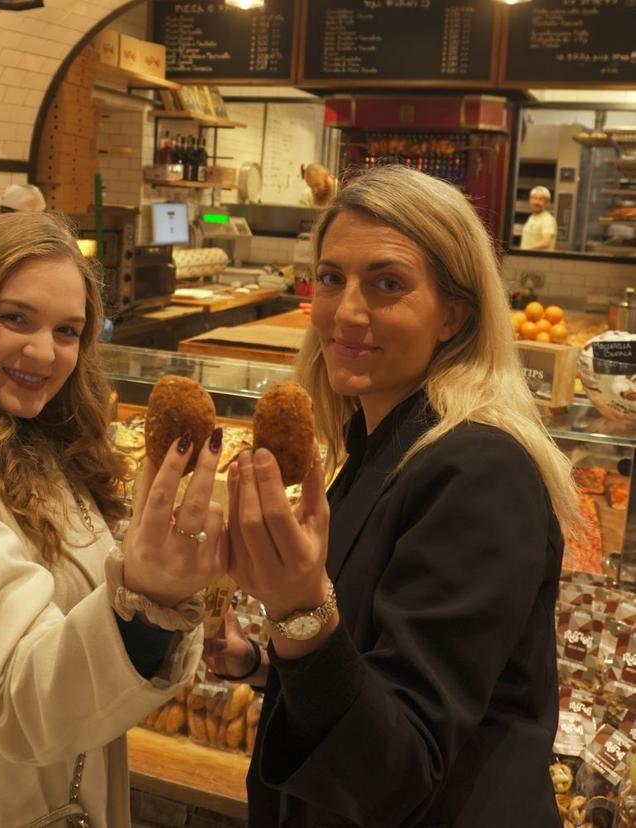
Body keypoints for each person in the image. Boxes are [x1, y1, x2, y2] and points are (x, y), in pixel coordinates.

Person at [205, 165, 578, 827]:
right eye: (330, 278)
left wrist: (298, 612)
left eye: (388, 283)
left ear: (453, 316)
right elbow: (375, 663)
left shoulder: (478, 472)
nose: (347, 311)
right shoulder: (379, 446)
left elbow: (398, 770)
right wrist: (264, 660)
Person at [0, 211, 227, 827]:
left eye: (67, 330)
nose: (42, 352)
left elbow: (101, 647)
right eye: (15, 319)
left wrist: (166, 599)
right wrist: (147, 593)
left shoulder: (47, 452)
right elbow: (19, 700)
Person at [521, 185, 557, 250]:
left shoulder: (547, 219)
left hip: (539, 259)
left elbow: (546, 242)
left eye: (541, 199)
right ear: (529, 200)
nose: (536, 202)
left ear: (547, 203)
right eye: (534, 198)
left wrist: (525, 251)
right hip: (527, 258)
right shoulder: (531, 217)